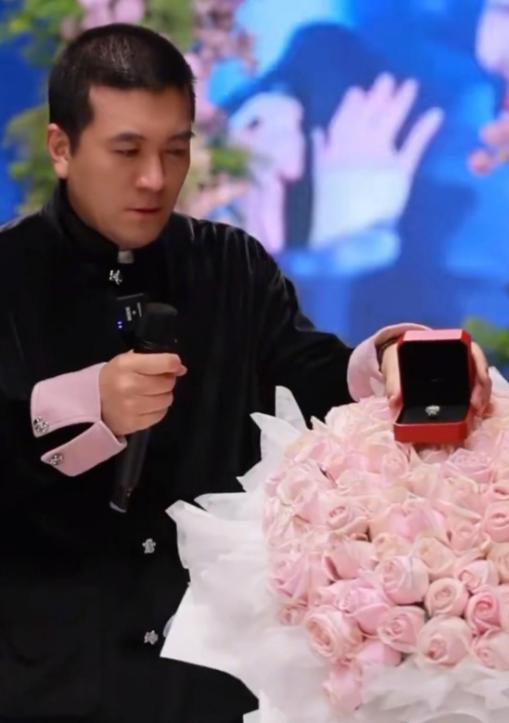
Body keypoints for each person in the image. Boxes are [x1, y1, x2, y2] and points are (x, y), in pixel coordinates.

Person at [0, 22, 490, 723]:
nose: (154, 178)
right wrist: (86, 409)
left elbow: (315, 381)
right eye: (127, 151)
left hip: (210, 678)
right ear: (60, 148)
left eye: (175, 150)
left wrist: (391, 356)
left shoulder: (230, 263)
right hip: (49, 680)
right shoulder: (10, 276)